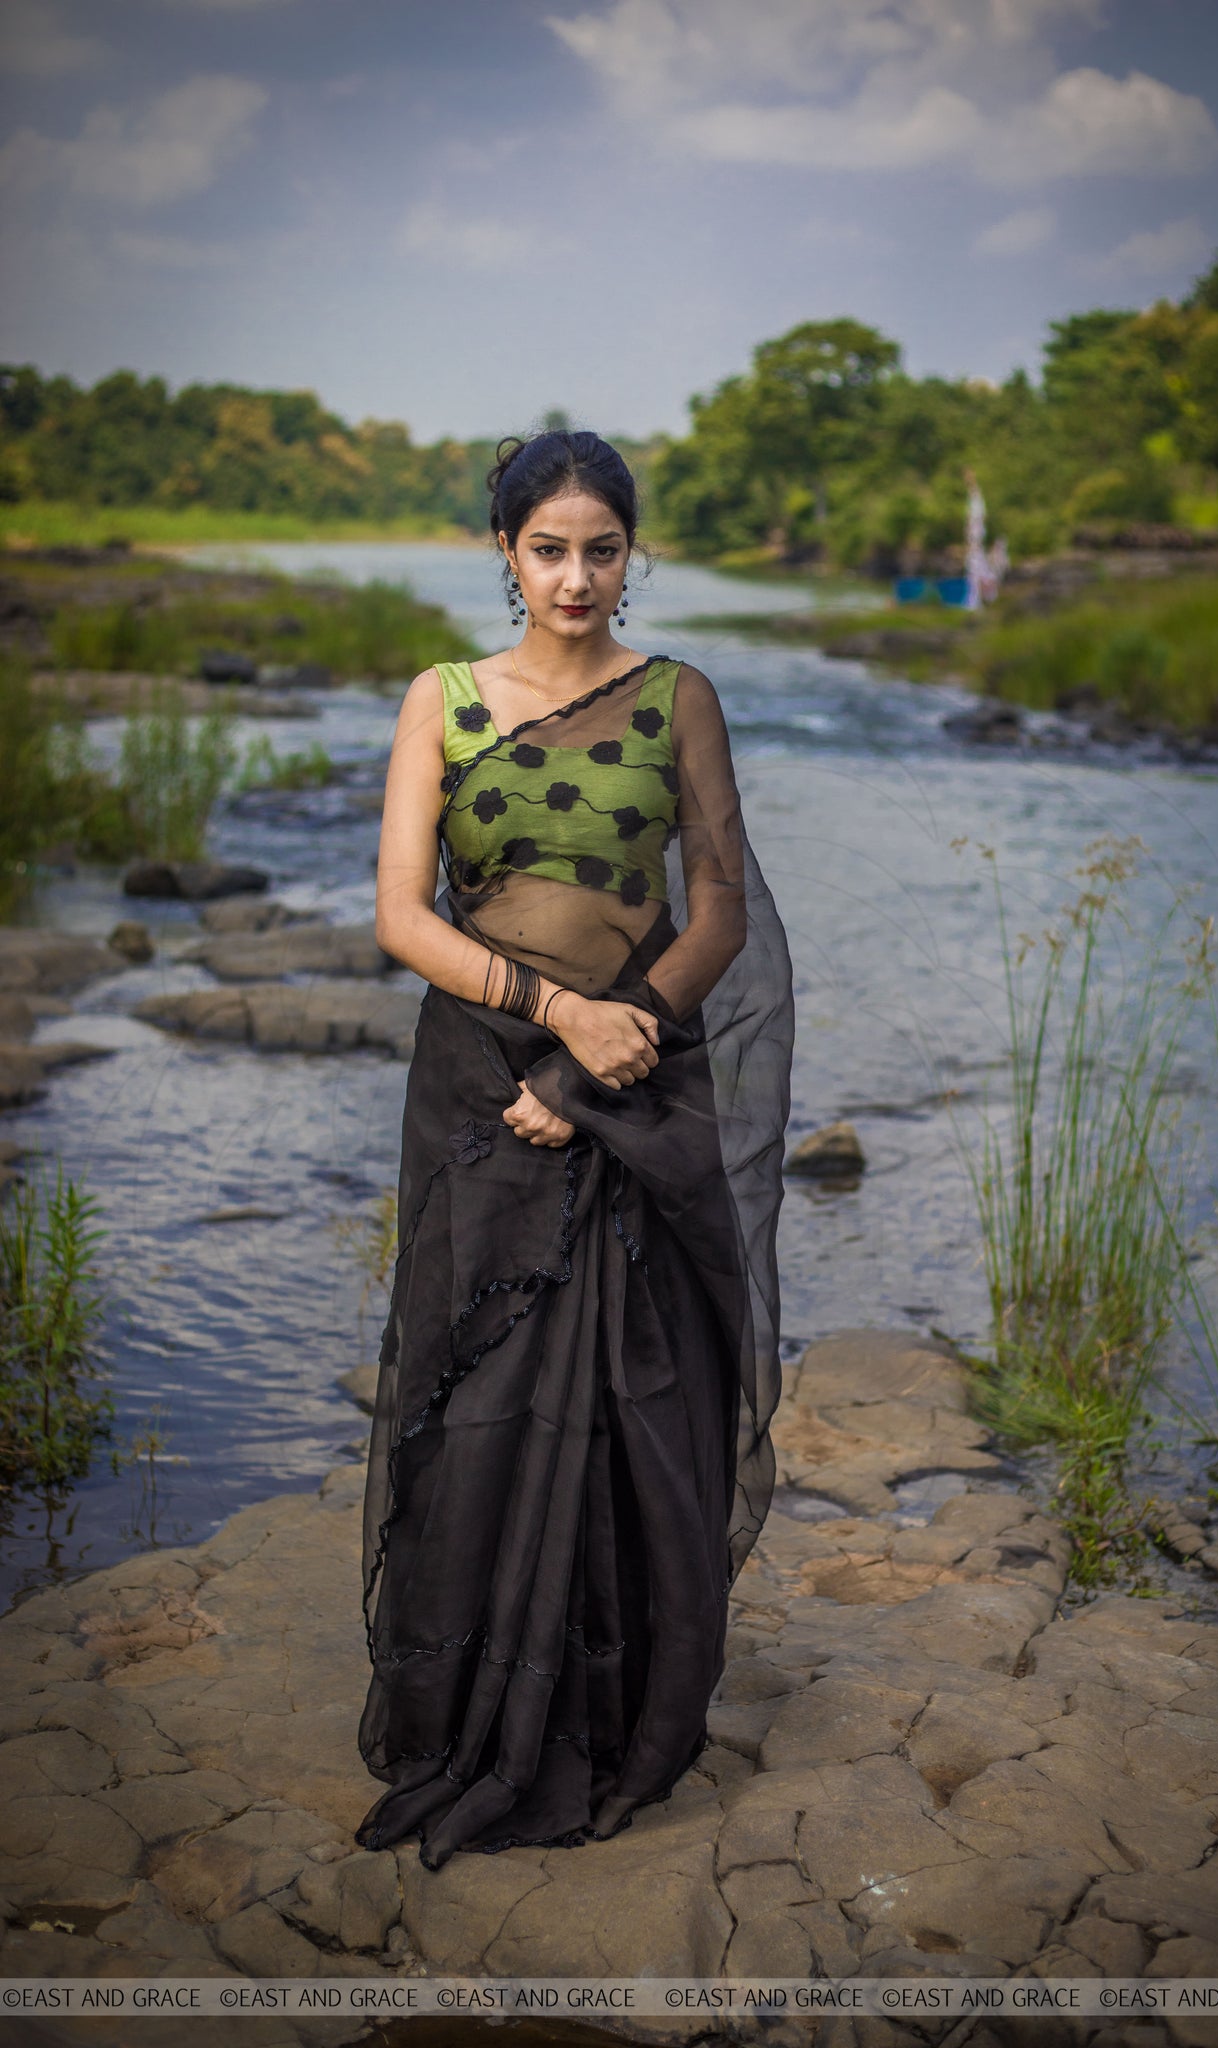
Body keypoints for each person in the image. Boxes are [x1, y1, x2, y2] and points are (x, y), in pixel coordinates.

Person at [354, 430, 793, 1867]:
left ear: (630, 553)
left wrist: (612, 1050)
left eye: (601, 549)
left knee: (634, 1394)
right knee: (473, 1382)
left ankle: (606, 1718)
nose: (576, 577)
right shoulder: (445, 700)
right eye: (548, 549)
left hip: (634, 1074)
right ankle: (465, 1714)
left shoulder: (679, 701)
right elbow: (403, 917)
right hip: (481, 1077)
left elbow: (717, 907)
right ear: (503, 554)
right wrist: (550, 1022)